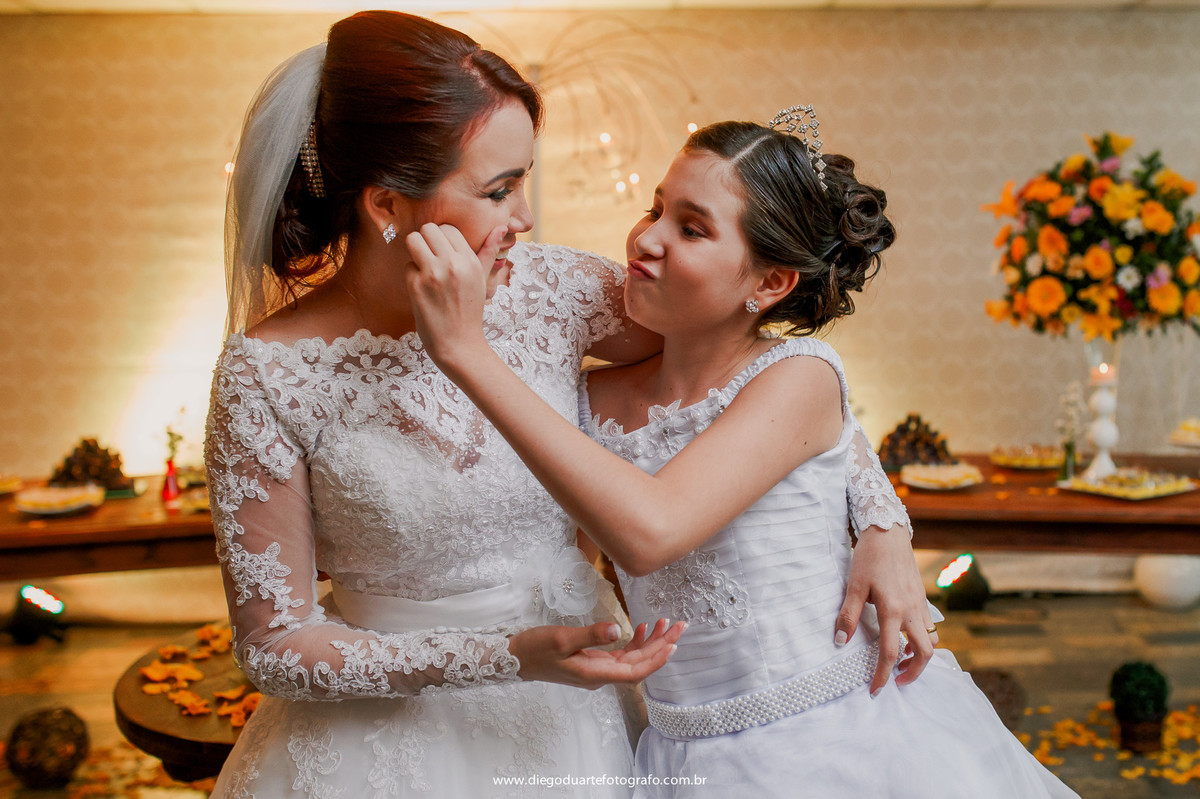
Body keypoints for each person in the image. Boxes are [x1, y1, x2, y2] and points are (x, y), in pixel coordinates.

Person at [403, 111, 1080, 797]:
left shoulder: (798, 375)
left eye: (692, 228)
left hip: (830, 738)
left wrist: (465, 352)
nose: (647, 239)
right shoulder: (590, 398)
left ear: (771, 283)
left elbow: (649, 533)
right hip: (674, 749)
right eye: (655, 209)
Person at [206, 11, 686, 797]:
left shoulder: (554, 292)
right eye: (499, 190)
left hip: (583, 724)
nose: (524, 219)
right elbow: (275, 645)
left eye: (522, 181)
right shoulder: (264, 374)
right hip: (380, 750)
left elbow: (744, 352)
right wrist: (507, 657)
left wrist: (871, 517)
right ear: (387, 207)